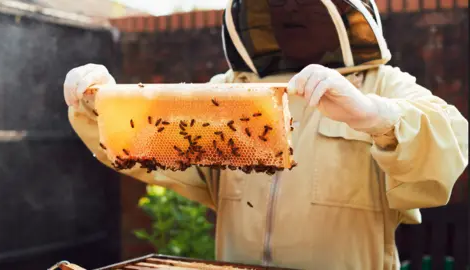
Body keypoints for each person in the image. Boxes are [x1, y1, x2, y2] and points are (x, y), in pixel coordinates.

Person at [63, 0, 468, 269]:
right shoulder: (230, 88)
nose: (288, 6)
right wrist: (98, 101)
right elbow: (149, 144)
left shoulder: (382, 84)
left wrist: (374, 114)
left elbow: (451, 140)